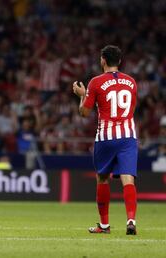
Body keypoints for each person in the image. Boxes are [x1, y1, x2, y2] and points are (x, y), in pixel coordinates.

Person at [73, 45, 138, 235]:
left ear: (103, 60)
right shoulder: (132, 82)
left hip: (106, 137)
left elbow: (84, 113)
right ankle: (131, 221)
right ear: (119, 61)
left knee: (102, 178)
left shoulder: (95, 82)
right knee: (128, 180)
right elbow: (131, 109)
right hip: (128, 136)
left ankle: (104, 225)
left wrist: (81, 95)